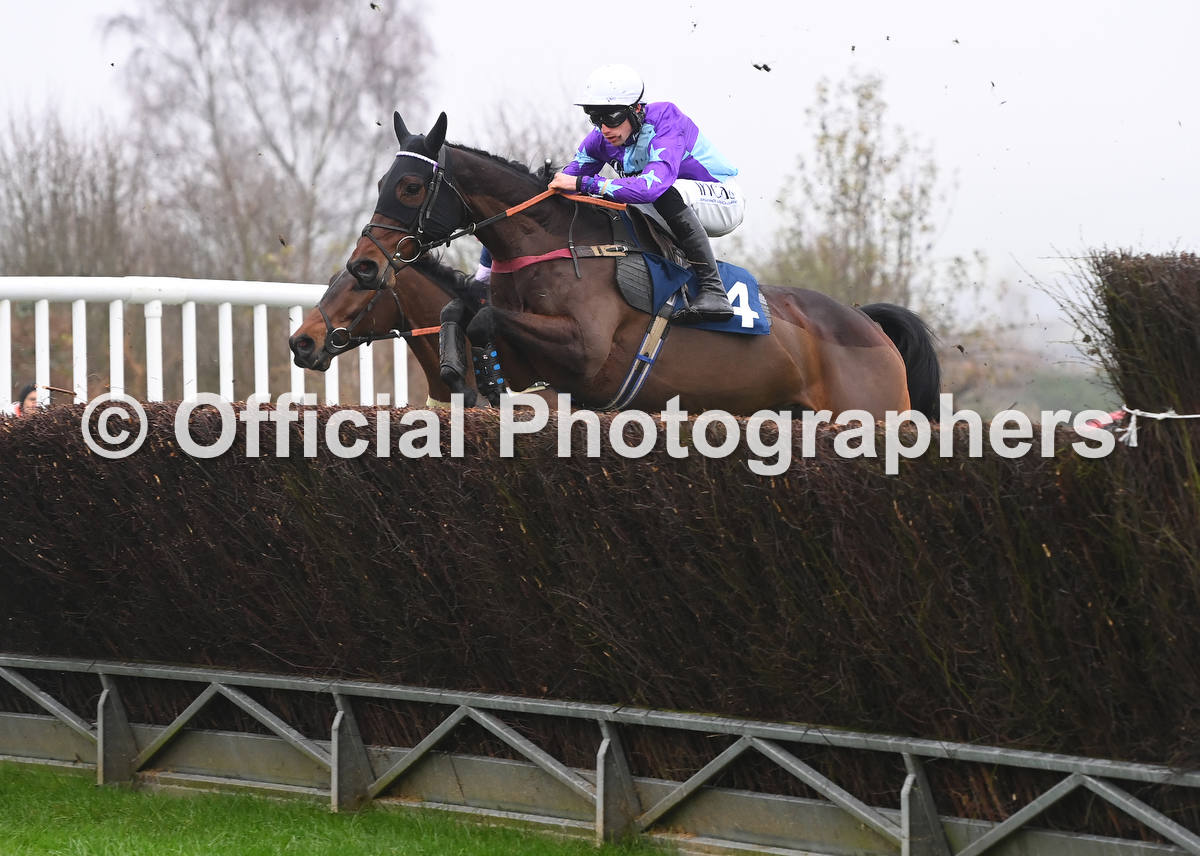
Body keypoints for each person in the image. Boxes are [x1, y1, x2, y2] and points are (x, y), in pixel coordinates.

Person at [547, 63, 744, 324]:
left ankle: (714, 291)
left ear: (636, 110)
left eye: (612, 117)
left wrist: (586, 184)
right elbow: (563, 184)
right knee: (605, 205)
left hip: (721, 200)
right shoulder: (599, 140)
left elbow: (652, 187)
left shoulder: (666, 118)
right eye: (595, 118)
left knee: (658, 193)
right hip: (675, 207)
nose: (604, 128)